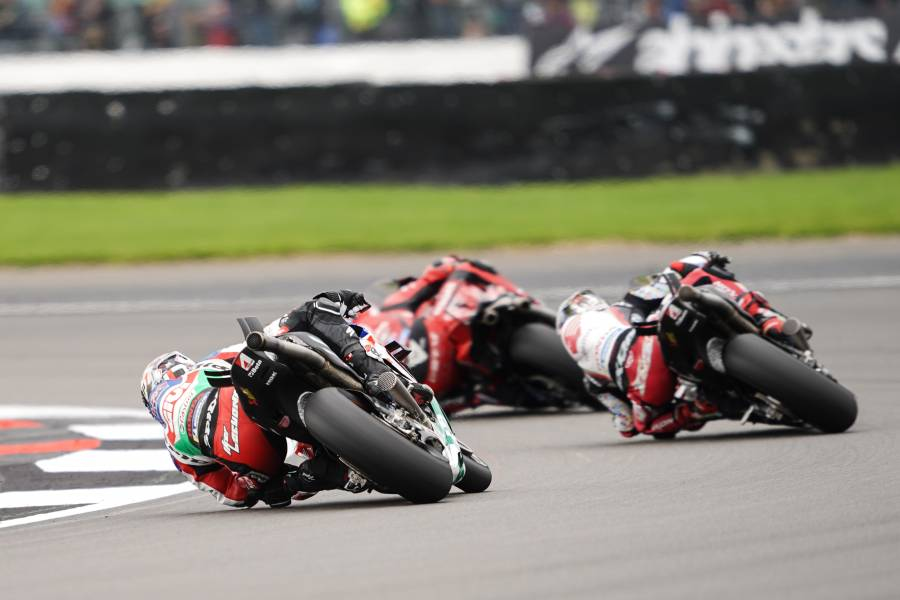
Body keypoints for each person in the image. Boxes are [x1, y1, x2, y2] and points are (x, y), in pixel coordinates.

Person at [139, 290, 391, 508]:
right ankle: (374, 372)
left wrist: (267, 487)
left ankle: (336, 475)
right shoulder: (204, 366)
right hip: (256, 400)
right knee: (311, 311)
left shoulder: (173, 445)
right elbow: (258, 344)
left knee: (275, 487)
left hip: (256, 457)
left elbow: (233, 496)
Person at [556, 251, 791, 438]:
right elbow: (669, 277)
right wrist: (704, 257)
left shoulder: (592, 381)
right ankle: (766, 318)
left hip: (645, 385)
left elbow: (627, 426)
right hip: (648, 342)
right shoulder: (623, 307)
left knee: (646, 424)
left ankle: (697, 408)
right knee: (700, 276)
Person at [354, 255, 530, 413]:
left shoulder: (357, 338)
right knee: (463, 269)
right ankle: (521, 299)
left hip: (424, 390)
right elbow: (437, 272)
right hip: (424, 361)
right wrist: (450, 264)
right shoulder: (389, 307)